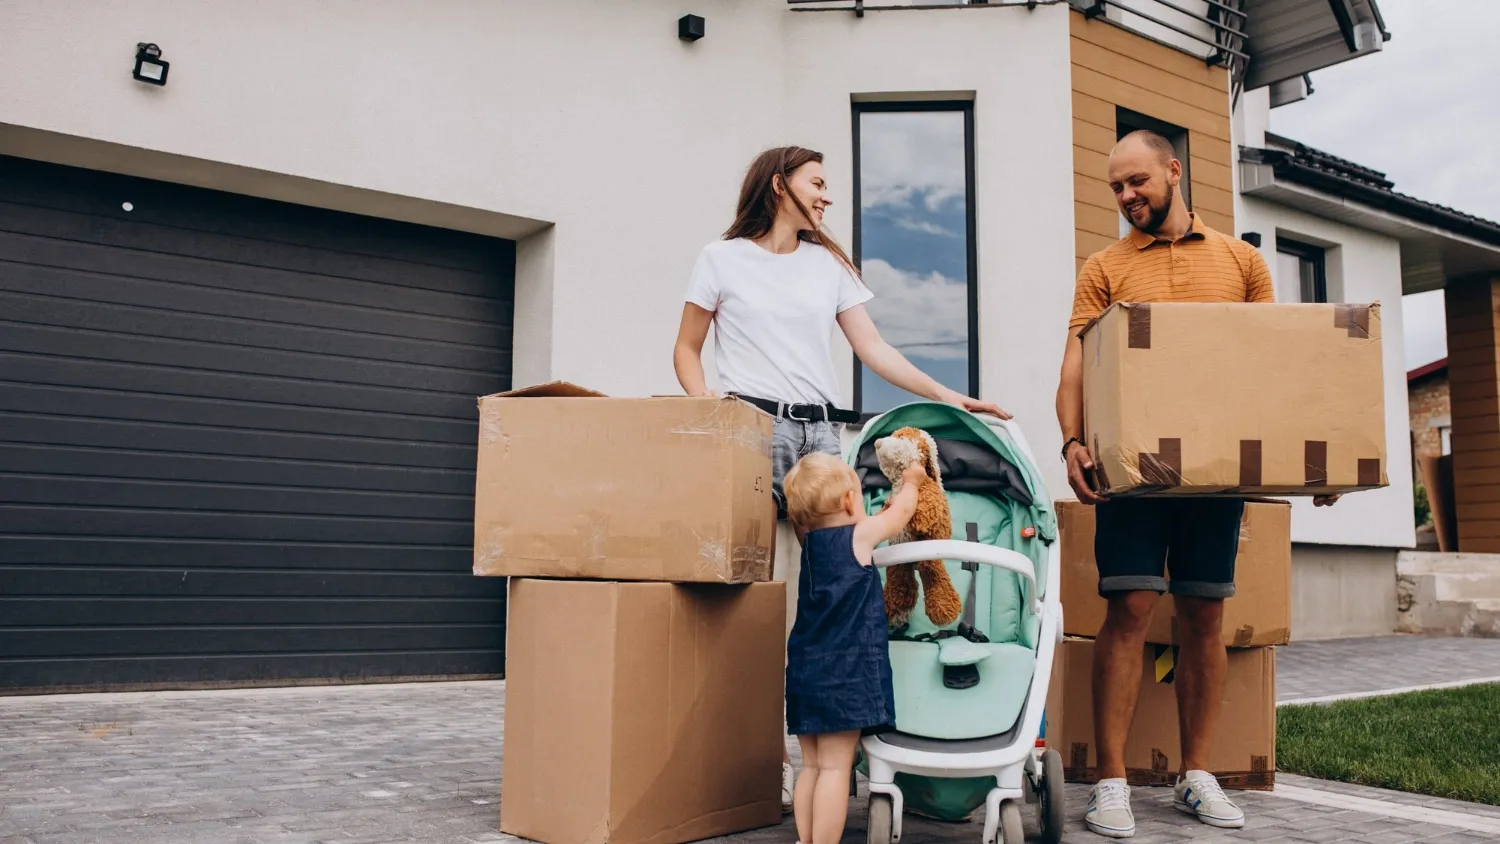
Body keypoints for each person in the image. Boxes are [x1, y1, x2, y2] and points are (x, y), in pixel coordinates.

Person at [673, 145, 1008, 812]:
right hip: (749, 430)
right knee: (753, 599)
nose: (828, 196)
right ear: (779, 186)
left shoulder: (827, 266)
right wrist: (705, 404)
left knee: (826, 597)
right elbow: (686, 348)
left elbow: (873, 349)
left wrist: (951, 397)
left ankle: (819, 762)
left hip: (821, 439)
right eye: (817, 183)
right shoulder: (721, 259)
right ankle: (748, 758)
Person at [1055, 129, 1339, 839]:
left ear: (1173, 172)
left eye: (1137, 182)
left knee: (1204, 616)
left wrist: (1317, 462)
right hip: (1133, 476)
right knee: (1129, 608)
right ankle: (1112, 781)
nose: (1126, 197)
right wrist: (1070, 441)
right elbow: (1076, 365)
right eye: (1116, 187)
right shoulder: (1105, 266)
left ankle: (1197, 774)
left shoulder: (1242, 262)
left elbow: (1271, 368)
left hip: (1213, 478)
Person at [781, 451, 925, 844]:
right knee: (835, 769)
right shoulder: (858, 537)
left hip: (806, 671)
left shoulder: (810, 543)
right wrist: (911, 481)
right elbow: (900, 516)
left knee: (810, 767)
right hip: (843, 673)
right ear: (848, 501)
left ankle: (805, 840)